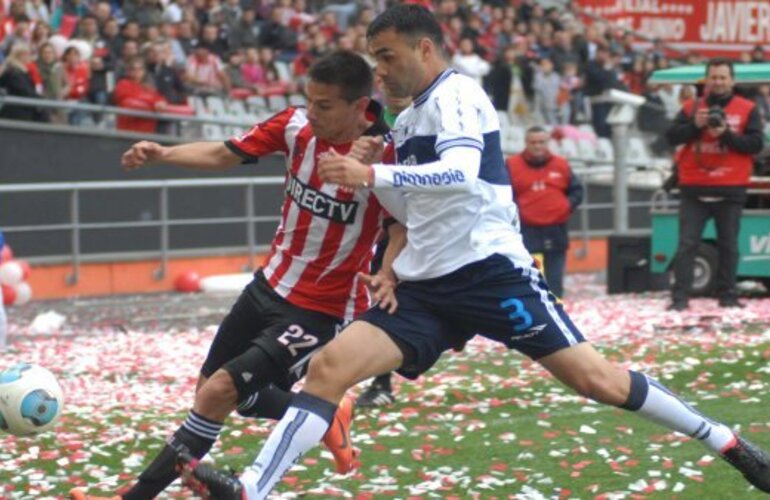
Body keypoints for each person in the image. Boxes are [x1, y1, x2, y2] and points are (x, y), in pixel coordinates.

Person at [184, 6, 770, 499]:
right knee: (328, 367)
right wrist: (387, 254)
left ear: (424, 49)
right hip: (425, 288)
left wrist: (370, 172)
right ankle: (252, 488)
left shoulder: (456, 94)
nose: (378, 71)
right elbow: (411, 211)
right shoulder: (407, 118)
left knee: (599, 383)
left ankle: (725, 440)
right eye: (373, 57)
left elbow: (461, 176)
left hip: (491, 275)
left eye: (386, 56)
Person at [69, 50, 405, 500]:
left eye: (324, 106)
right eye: (309, 101)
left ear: (360, 106)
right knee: (211, 390)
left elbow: (400, 224)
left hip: (321, 309)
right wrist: (163, 152)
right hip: (268, 286)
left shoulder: (382, 160)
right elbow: (227, 152)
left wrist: (386, 270)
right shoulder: (294, 128)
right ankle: (323, 413)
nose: (312, 113)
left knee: (220, 392)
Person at [666, 58, 765, 311]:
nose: (718, 82)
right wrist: (694, 126)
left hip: (730, 188)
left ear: (732, 80)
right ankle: (679, 298)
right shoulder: (691, 107)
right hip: (693, 188)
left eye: (723, 77)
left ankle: (728, 295)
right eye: (714, 77)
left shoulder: (747, 108)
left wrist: (726, 134)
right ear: (706, 80)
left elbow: (755, 145)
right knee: (687, 244)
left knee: (729, 245)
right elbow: (670, 137)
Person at [355, 79, 412, 409]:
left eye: (399, 86)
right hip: (388, 225)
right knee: (383, 296)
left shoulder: (424, 123)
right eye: (389, 87)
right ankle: (382, 382)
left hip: (419, 227)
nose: (394, 91)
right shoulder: (375, 128)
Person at [507, 126, 583, 298]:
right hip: (526, 230)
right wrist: (517, 213)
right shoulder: (511, 165)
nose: (537, 146)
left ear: (547, 143)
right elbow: (504, 194)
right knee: (528, 279)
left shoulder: (561, 164)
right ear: (526, 143)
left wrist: (565, 206)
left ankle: (557, 315)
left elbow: (577, 191)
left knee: (555, 282)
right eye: (533, 142)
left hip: (555, 229)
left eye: (541, 142)